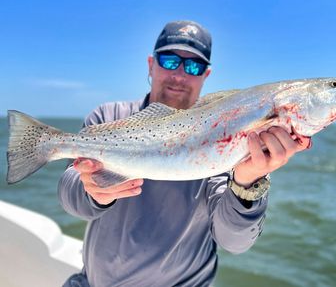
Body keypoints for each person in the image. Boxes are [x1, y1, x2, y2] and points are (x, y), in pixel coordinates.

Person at [59, 20, 311, 287]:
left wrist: (247, 183)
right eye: (170, 61)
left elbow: (234, 241)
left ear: (206, 75)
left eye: (193, 66)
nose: (179, 75)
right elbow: (71, 199)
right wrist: (91, 190)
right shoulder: (108, 118)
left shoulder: (226, 138)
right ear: (150, 64)